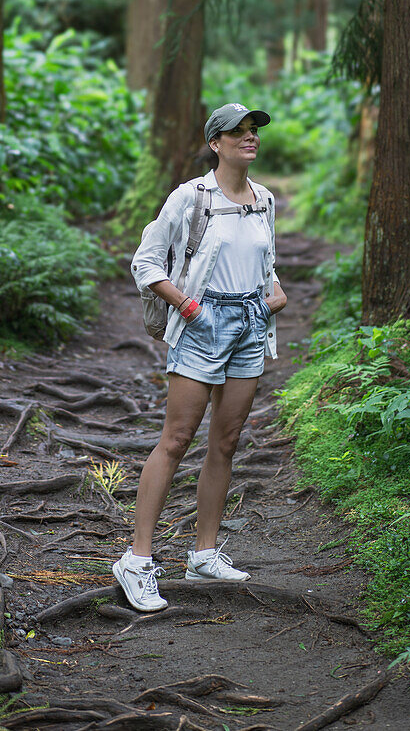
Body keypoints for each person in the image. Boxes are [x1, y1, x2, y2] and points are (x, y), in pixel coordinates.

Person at [113, 102, 288, 612]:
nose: (249, 138)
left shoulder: (265, 200)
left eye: (253, 131)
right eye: (237, 133)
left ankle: (203, 553)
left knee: (227, 441)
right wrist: (187, 305)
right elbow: (145, 262)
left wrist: (273, 295)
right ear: (216, 143)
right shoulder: (191, 198)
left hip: (250, 326)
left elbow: (267, 265)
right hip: (201, 323)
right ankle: (137, 560)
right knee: (176, 439)